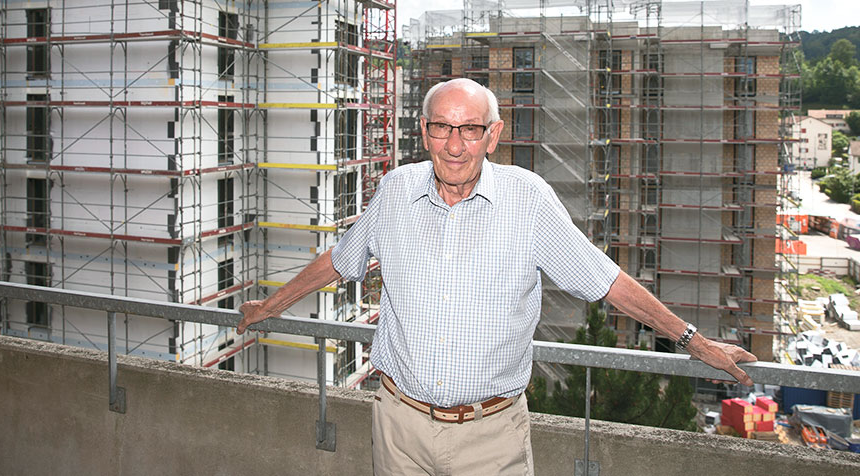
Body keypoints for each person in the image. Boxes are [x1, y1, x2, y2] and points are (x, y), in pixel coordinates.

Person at [238, 78, 757, 474]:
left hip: (491, 438)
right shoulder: (395, 191)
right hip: (398, 429)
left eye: (470, 129)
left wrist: (695, 342)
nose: (454, 145)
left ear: (493, 136)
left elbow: (607, 280)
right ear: (424, 131)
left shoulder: (527, 200)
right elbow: (340, 260)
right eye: (442, 127)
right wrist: (269, 307)